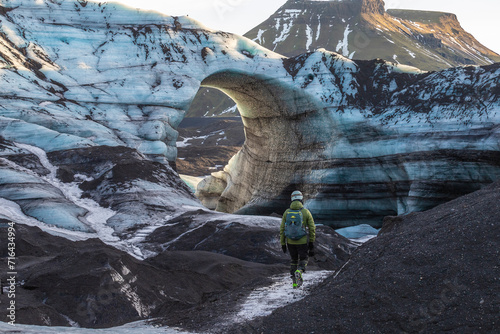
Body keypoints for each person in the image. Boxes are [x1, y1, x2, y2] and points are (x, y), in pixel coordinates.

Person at [280, 190, 316, 288]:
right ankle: (299, 271)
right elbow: (312, 228)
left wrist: (283, 243)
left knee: (293, 260)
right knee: (304, 259)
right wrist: (311, 242)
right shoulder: (305, 212)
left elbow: (282, 229)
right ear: (301, 199)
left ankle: (294, 283)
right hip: (302, 241)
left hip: (290, 242)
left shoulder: (287, 212)